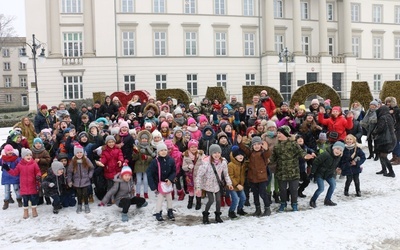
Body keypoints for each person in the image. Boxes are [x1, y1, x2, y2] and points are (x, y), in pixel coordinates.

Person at [270, 126, 315, 212]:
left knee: (293, 189)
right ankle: (283, 204)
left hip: (293, 171)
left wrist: (306, 156)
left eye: (280, 133)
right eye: (278, 133)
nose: (278, 134)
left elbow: (301, 152)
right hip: (281, 172)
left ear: (285, 134)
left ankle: (294, 204)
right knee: (282, 190)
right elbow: (273, 158)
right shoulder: (277, 146)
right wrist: (266, 160)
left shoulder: (293, 144)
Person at [195, 144, 233, 224]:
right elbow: (199, 175)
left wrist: (229, 183)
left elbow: (226, 174)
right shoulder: (205, 163)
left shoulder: (223, 162)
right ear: (211, 153)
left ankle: (218, 215)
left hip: (217, 184)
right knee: (211, 200)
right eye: (214, 152)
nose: (217, 155)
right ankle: (205, 214)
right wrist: (198, 187)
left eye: (218, 152)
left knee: (219, 200)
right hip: (208, 184)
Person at [237, 134, 272, 217]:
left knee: (263, 194)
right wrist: (239, 143)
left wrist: (267, 149)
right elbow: (244, 149)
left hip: (262, 178)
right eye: (254, 144)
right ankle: (258, 209)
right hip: (252, 178)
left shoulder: (263, 154)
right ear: (252, 146)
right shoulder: (251, 153)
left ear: (261, 145)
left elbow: (268, 154)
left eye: (258, 144)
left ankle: (267, 208)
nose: (256, 146)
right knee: (255, 194)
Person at [2, 148, 41, 219]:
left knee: (33, 199)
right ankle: (25, 212)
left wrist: (38, 176)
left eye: (30, 155)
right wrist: (8, 169)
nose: (29, 156)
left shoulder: (34, 164)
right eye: (27, 155)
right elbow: (14, 173)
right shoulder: (20, 165)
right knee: (25, 200)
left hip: (32, 185)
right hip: (24, 187)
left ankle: (34, 210)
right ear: (23, 157)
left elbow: (38, 171)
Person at [309, 141, 345, 208]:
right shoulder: (326, 154)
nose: (338, 151)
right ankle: (313, 200)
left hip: (328, 174)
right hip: (320, 173)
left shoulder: (338, 157)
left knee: (333, 184)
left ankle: (327, 200)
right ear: (333, 148)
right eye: (337, 149)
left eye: (340, 150)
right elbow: (316, 162)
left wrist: (337, 169)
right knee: (321, 188)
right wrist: (312, 172)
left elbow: (333, 165)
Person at [147, 142, 176, 221]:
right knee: (160, 199)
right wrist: (153, 186)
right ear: (158, 152)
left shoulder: (171, 160)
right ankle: (158, 212)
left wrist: (170, 179)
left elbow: (174, 171)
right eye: (161, 150)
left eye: (165, 150)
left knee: (169, 198)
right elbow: (149, 174)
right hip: (159, 184)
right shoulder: (155, 162)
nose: (163, 152)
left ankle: (170, 211)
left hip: (168, 184)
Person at [96, 135, 124, 203]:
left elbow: (121, 156)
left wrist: (120, 161)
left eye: (112, 142)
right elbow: (103, 159)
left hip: (117, 170)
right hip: (108, 171)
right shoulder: (105, 151)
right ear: (107, 143)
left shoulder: (118, 149)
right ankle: (109, 199)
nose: (111, 143)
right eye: (109, 142)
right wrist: (101, 163)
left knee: (117, 186)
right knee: (110, 187)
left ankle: (117, 198)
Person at [68, 145, 95, 213]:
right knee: (79, 194)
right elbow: (69, 172)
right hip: (76, 181)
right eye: (77, 153)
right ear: (75, 153)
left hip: (85, 180)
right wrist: (69, 180)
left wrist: (89, 175)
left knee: (85, 193)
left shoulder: (86, 160)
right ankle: (79, 205)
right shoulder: (73, 161)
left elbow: (92, 168)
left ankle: (86, 205)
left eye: (80, 152)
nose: (79, 154)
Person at [372, 105, 397, 177]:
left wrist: (374, 132)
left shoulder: (383, 118)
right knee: (381, 154)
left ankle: (391, 172)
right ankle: (384, 169)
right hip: (391, 138)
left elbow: (380, 128)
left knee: (383, 156)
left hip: (386, 140)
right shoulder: (390, 116)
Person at [182, 139, 206, 210]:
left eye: (195, 147)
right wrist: (188, 167)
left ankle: (198, 202)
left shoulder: (201, 155)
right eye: (192, 147)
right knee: (191, 190)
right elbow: (183, 167)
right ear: (189, 148)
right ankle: (190, 201)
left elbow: (205, 164)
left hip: (198, 176)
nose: (193, 148)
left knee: (198, 189)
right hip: (190, 176)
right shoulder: (186, 156)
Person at [132, 130, 155, 198]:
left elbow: (152, 157)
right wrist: (136, 153)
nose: (144, 140)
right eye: (143, 139)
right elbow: (134, 158)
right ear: (140, 139)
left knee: (145, 181)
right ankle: (138, 193)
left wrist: (146, 157)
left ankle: (145, 192)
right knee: (138, 181)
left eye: (145, 139)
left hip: (147, 166)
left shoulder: (150, 147)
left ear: (148, 139)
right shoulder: (137, 147)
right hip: (138, 166)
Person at [227, 146, 248, 218]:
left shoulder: (243, 164)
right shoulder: (230, 165)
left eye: (242, 155)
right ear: (235, 156)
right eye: (238, 155)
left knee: (243, 198)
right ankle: (231, 211)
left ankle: (240, 209)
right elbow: (230, 176)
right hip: (232, 186)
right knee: (235, 199)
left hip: (240, 185)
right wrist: (237, 184)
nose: (240, 156)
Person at [0, 144, 22, 209]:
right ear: (5, 152)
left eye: (11, 150)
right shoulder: (3, 159)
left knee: (17, 189)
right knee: (7, 191)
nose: (10, 152)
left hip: (15, 176)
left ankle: (19, 200)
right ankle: (6, 202)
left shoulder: (16, 158)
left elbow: (20, 164)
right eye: (8, 150)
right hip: (6, 177)